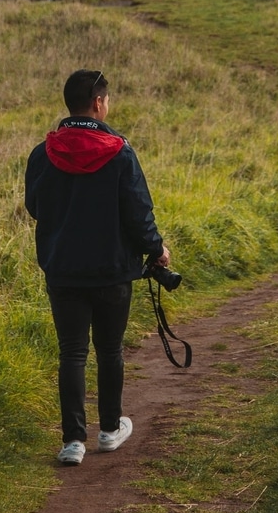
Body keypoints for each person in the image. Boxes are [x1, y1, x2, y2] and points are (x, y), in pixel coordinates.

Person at [24, 69, 171, 466]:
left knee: (72, 353)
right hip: (112, 270)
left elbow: (35, 208)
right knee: (109, 350)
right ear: (98, 103)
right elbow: (139, 213)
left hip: (63, 270)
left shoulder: (43, 153)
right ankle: (109, 430)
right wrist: (156, 249)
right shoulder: (120, 152)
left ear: (70, 103)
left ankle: (73, 442)